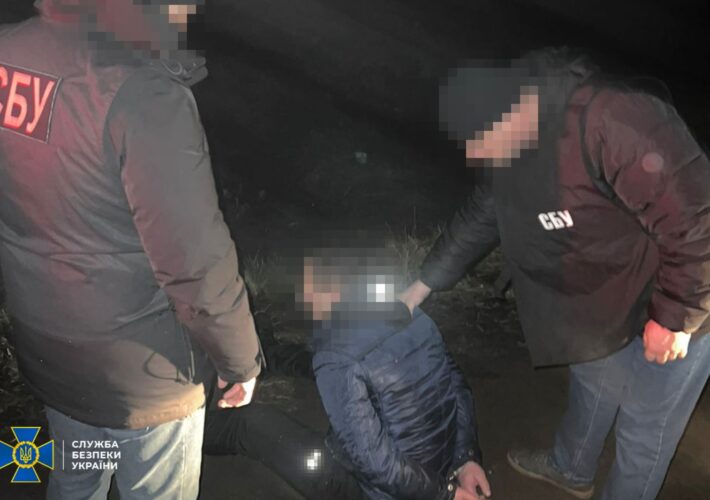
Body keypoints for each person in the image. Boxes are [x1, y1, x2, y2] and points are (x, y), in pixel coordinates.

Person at [399, 47, 710, 499]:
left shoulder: (612, 117)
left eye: (480, 140)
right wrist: (418, 288)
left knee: (645, 428)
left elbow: (699, 222)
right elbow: (481, 217)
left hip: (683, 289)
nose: (476, 154)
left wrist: (676, 317)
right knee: (592, 381)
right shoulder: (509, 149)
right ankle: (572, 468)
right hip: (605, 292)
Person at [0, 1, 261, 498]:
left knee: (77, 477)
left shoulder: (8, 53)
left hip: (53, 352)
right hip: (146, 381)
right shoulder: (145, 93)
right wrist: (239, 360)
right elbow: (193, 259)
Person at [302, 245, 491, 500]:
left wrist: (446, 494)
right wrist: (465, 458)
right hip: (441, 467)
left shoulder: (333, 357)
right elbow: (457, 387)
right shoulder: (413, 311)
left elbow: (374, 462)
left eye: (310, 288)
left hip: (399, 490)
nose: (305, 296)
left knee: (307, 458)